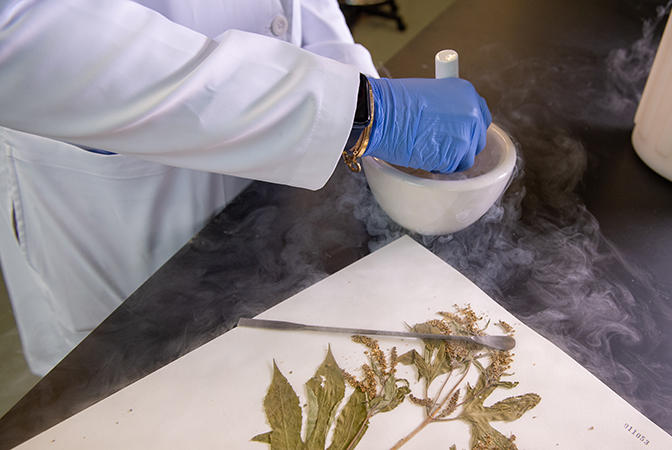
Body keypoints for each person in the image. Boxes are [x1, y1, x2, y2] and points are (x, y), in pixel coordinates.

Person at [0, 0, 491, 376]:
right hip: (121, 199)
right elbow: (20, 29)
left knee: (262, 373)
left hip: (273, 176)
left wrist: (345, 74)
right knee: (132, 385)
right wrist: (355, 110)